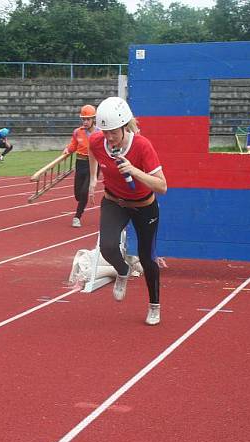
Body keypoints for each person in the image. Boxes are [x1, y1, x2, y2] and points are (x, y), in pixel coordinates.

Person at [87, 96, 167, 326]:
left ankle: (154, 305)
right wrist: (94, 178)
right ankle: (122, 271)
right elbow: (93, 152)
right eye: (105, 132)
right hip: (114, 201)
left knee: (147, 258)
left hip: (144, 206)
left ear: (124, 126)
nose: (109, 137)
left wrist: (133, 169)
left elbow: (162, 186)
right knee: (107, 246)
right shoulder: (96, 141)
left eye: (113, 132)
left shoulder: (142, 145)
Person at [63, 105, 99, 228]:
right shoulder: (77, 132)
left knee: (84, 191)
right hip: (80, 163)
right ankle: (82, 202)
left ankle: (77, 216)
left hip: (93, 164)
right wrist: (67, 150)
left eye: (88, 119)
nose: (85, 122)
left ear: (93, 119)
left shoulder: (100, 132)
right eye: (83, 119)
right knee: (78, 194)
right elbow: (73, 146)